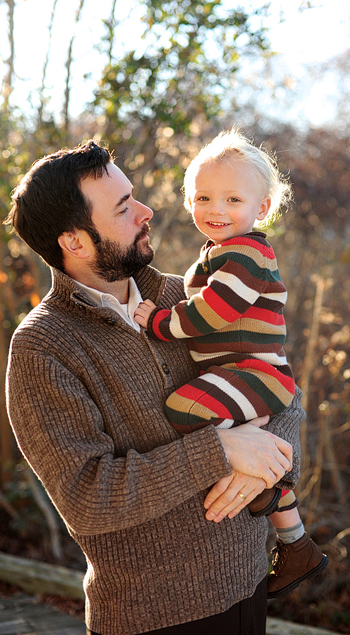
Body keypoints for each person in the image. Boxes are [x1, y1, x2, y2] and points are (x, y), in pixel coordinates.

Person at [5, 139, 301, 635]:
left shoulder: (187, 296)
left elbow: (278, 383)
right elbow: (86, 496)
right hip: (149, 618)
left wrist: (267, 462)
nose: (147, 212)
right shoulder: (43, 347)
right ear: (74, 242)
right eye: (124, 208)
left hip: (249, 586)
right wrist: (221, 449)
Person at [132, 129, 326, 599]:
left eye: (232, 199)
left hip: (256, 374)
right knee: (207, 419)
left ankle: (256, 469)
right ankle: (296, 543)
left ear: (261, 209)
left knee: (183, 408)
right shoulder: (219, 253)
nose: (215, 209)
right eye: (203, 197)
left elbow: (213, 312)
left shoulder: (247, 253)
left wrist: (159, 322)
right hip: (243, 375)